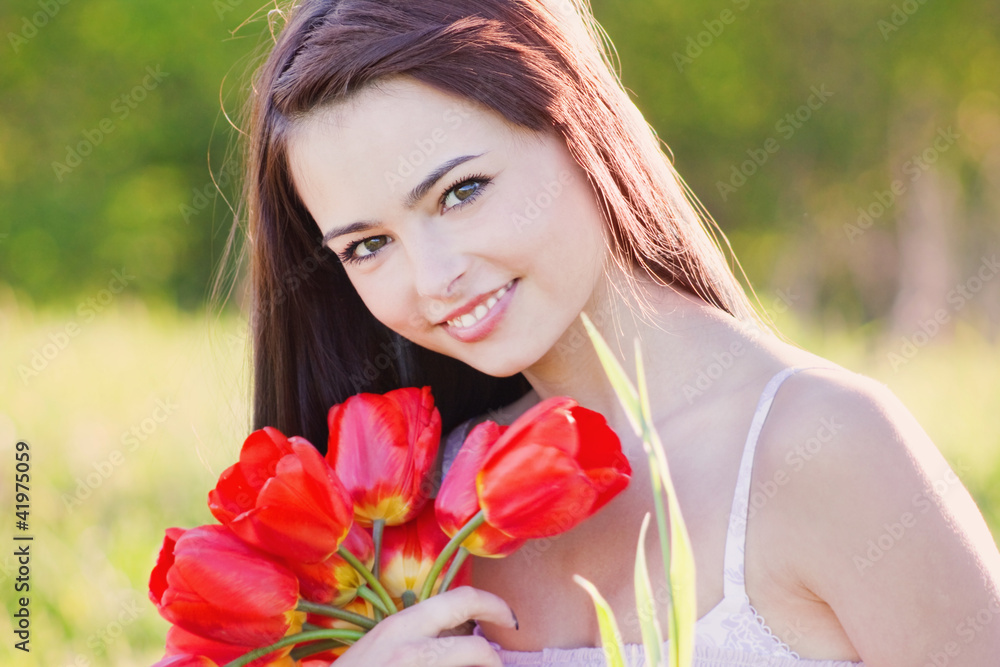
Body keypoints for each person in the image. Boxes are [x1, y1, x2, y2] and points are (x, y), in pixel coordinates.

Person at [230, 0, 1000, 664]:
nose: (432, 278)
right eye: (369, 245)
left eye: (462, 191)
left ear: (577, 125)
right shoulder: (410, 508)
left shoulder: (823, 445)